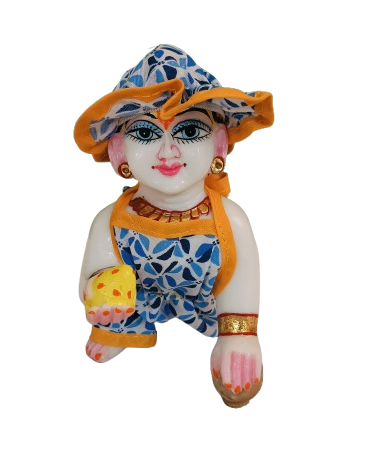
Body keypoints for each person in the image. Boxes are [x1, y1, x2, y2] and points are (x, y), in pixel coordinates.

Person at [74, 44, 274, 407]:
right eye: (146, 134)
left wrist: (239, 335)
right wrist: (100, 294)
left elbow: (241, 279)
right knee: (113, 306)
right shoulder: (112, 221)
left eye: (189, 130)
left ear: (219, 145)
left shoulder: (229, 220)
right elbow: (92, 274)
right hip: (137, 301)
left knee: (235, 326)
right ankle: (122, 330)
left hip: (207, 304)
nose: (168, 152)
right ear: (118, 151)